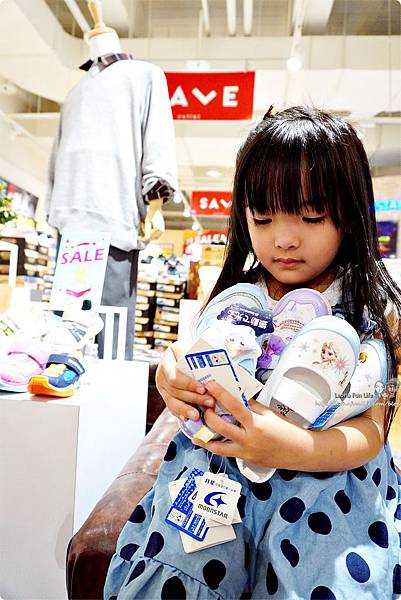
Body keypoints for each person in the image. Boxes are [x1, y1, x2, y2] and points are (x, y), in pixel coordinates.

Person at [104, 106, 401, 598]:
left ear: (349, 214)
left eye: (311, 216)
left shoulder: (372, 309)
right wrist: (169, 378)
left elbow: (370, 431)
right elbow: (187, 358)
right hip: (214, 482)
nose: (284, 238)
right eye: (262, 218)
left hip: (327, 491)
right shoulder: (235, 297)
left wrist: (289, 448)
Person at [45, 0, 177, 360]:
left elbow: (157, 137)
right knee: (67, 333)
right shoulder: (73, 94)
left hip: (112, 219)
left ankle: (109, 408)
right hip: (72, 229)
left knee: (111, 330)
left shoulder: (144, 75)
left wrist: (155, 197)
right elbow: (58, 160)